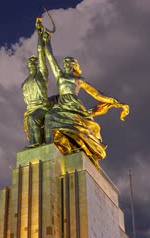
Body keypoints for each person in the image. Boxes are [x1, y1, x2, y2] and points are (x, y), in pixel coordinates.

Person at [41, 30, 129, 167]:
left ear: (73, 65)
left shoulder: (79, 80)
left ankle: (81, 148)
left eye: (68, 62)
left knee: (79, 129)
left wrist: (114, 101)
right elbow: (50, 58)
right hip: (62, 104)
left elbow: (97, 94)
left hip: (74, 106)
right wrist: (46, 41)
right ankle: (47, 149)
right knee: (49, 117)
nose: (65, 64)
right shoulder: (60, 76)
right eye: (64, 62)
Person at [21, 18, 52, 148]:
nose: (31, 64)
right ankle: (36, 145)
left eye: (34, 62)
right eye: (29, 63)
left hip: (42, 108)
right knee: (30, 118)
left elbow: (40, 52)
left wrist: (39, 35)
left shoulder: (41, 75)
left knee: (32, 118)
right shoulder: (24, 83)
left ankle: (35, 146)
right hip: (30, 110)